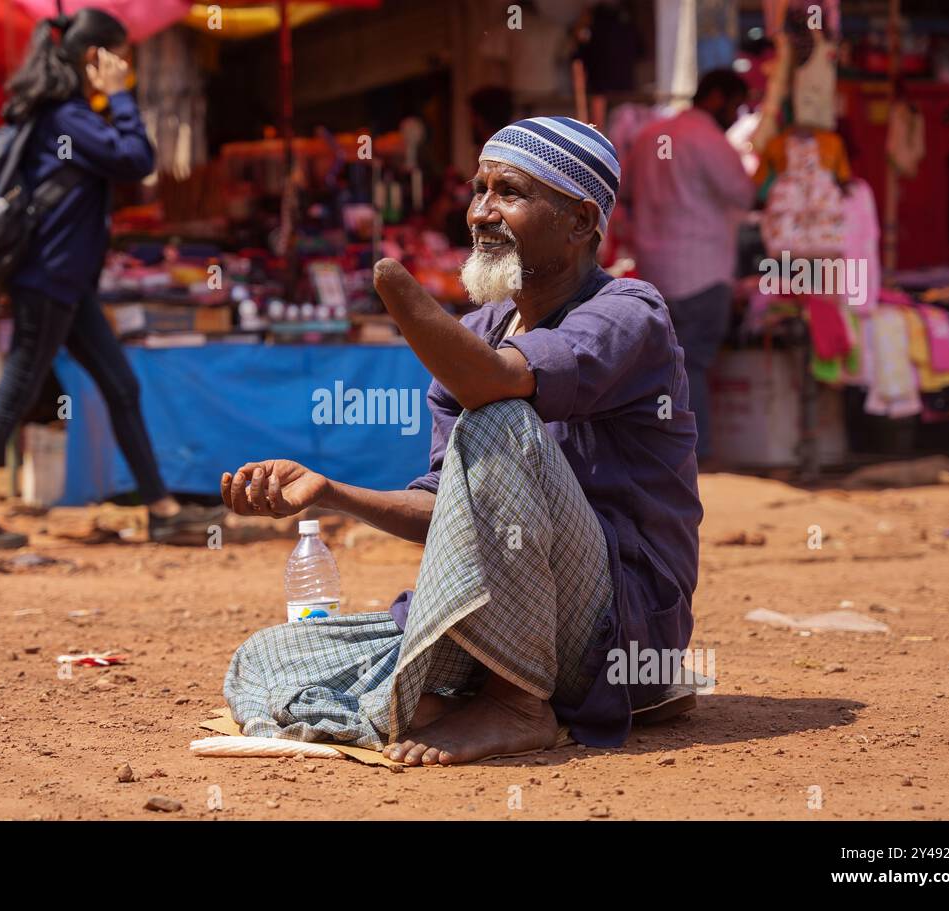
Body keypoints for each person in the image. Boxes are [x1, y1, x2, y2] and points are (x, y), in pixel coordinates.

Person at [220, 118, 702, 765]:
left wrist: (402, 294)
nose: (481, 212)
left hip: (621, 633)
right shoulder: (478, 331)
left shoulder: (629, 313)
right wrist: (330, 491)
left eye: (508, 192)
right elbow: (447, 509)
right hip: (517, 621)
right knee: (267, 655)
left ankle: (514, 704)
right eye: (479, 190)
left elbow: (496, 385)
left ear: (582, 220)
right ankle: (447, 693)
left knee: (497, 418)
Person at [0, 8, 219, 550]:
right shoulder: (66, 118)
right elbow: (137, 158)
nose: (127, 68)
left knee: (120, 385)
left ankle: (161, 509)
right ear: (96, 59)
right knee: (15, 392)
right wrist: (117, 96)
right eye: (121, 58)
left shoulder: (63, 116)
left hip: (68, 284)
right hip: (49, 279)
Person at [623, 69, 754, 465]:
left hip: (655, 273)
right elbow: (744, 194)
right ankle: (694, 458)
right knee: (691, 365)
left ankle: (663, 456)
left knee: (664, 368)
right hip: (702, 272)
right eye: (734, 105)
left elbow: (623, 192)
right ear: (714, 97)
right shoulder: (710, 141)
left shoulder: (649, 136)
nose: (737, 115)